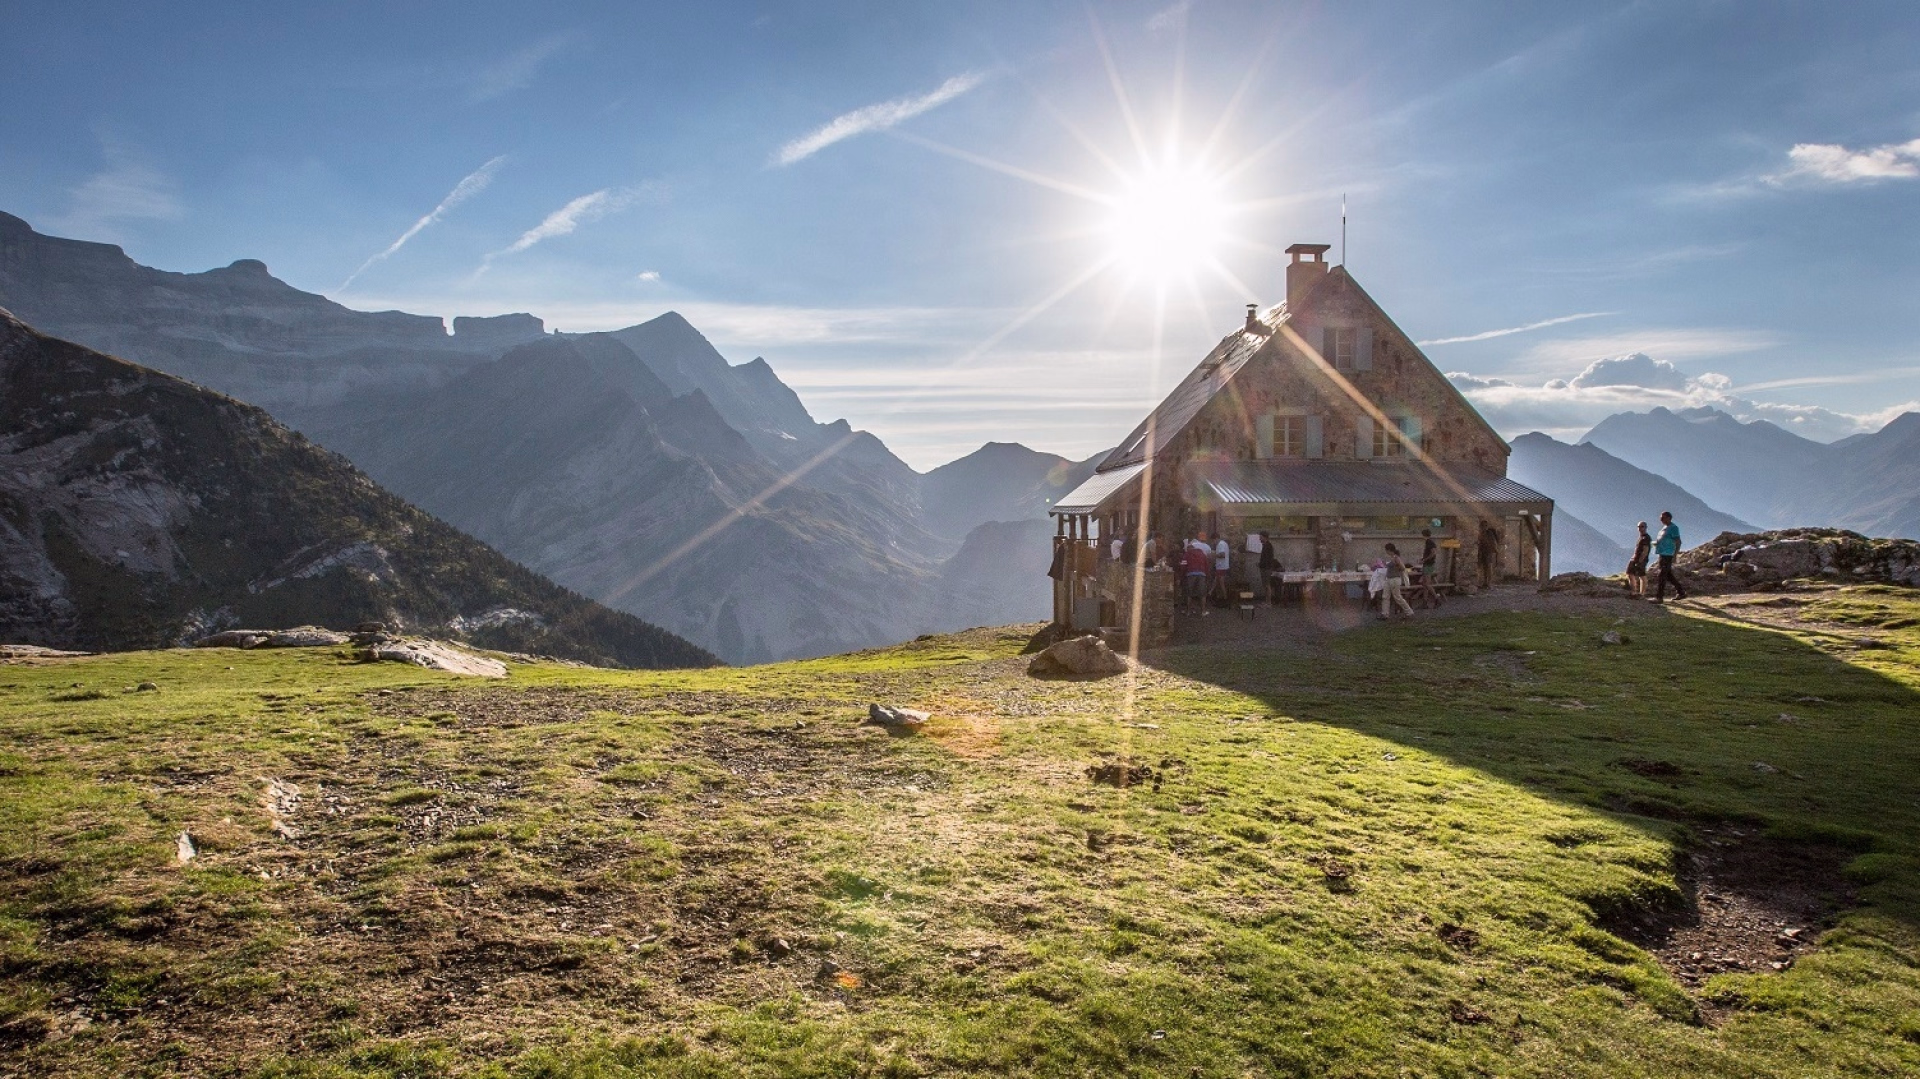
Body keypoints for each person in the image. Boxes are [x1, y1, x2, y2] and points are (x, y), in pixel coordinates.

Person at [1651, 511, 1688, 602]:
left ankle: (1659, 597)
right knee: (1668, 575)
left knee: (1662, 575)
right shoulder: (1664, 528)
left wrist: (1675, 555)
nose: (1661, 519)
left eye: (1663, 518)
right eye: (1660, 518)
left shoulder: (1673, 528)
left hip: (1668, 554)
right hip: (1662, 554)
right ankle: (1681, 592)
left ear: (1669, 518)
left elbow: (1678, 542)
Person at [1380, 543, 1415, 620]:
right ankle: (1385, 614)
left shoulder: (1396, 558)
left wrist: (1397, 565)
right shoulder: (1392, 558)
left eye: (1386, 550)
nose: (1386, 552)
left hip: (1395, 579)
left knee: (1397, 597)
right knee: (1385, 596)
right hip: (1389, 579)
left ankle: (1409, 612)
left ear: (1389, 550)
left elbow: (1402, 568)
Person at [1180, 535, 1211, 614]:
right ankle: (1203, 611)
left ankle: (1188, 611)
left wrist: (1182, 576)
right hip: (1202, 574)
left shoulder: (1186, 554)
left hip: (1190, 574)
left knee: (1189, 594)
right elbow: (1206, 565)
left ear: (1189, 548)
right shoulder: (1202, 554)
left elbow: (1183, 565)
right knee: (1202, 594)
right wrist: (1207, 576)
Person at [1414, 528, 1440, 608]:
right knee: (1424, 584)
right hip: (1427, 564)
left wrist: (1424, 560)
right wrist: (1423, 559)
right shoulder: (1428, 542)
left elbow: (1433, 553)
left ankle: (1437, 598)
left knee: (1427, 584)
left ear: (1423, 535)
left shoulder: (1429, 542)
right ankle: (1424, 603)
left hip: (1429, 565)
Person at [1626, 521, 1651, 597]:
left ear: (1646, 527)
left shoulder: (1646, 538)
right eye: (1639, 527)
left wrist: (1640, 561)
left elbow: (1645, 550)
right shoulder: (1641, 537)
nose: (1640, 528)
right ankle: (1634, 592)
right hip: (1635, 558)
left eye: (1642, 526)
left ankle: (1641, 594)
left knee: (1641, 575)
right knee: (1630, 573)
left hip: (1640, 560)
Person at [1477, 521, 1501, 590]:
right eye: (1482, 526)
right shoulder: (1482, 533)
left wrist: (1495, 551)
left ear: (1486, 526)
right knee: (1484, 567)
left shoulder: (1489, 533)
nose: (1482, 528)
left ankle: (1489, 583)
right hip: (1483, 552)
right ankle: (1485, 582)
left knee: (1489, 567)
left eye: (1484, 526)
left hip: (1489, 552)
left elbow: (1493, 543)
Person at [1257, 531, 1279, 604]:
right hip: (1264, 567)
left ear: (1264, 537)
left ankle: (1269, 603)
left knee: (1267, 585)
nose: (1259, 539)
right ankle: (1266, 601)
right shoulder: (1265, 545)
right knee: (1265, 585)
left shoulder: (1268, 546)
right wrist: (1260, 564)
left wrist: (1262, 564)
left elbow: (1268, 559)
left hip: (1267, 568)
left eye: (1260, 537)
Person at [1210, 532, 1231, 605]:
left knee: (1221, 583)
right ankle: (1210, 593)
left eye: (1213, 540)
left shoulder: (1221, 544)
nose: (1213, 542)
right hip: (1222, 566)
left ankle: (1225, 599)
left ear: (1216, 538)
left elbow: (1222, 555)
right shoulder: (1223, 543)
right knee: (1217, 580)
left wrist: (1213, 555)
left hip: (1221, 566)